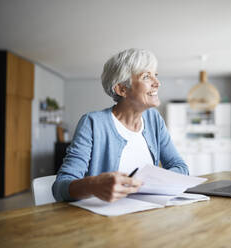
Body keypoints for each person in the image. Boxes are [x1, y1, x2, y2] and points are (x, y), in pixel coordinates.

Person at [52, 48, 189, 202]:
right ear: (122, 89)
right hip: (103, 218)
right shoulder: (93, 123)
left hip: (148, 212)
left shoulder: (154, 119)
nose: (157, 83)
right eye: (146, 77)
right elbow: (60, 187)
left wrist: (156, 181)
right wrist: (94, 185)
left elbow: (180, 166)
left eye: (155, 76)